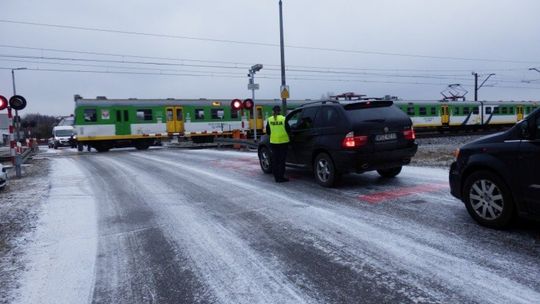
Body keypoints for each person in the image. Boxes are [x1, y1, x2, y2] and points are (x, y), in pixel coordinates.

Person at [266, 105, 291, 183]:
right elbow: (288, 130)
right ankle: (281, 177)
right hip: (283, 142)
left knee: (275, 160)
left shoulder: (270, 119)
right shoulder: (283, 119)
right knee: (281, 161)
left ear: (273, 111)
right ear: (279, 111)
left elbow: (268, 132)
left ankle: (276, 177)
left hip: (274, 142)